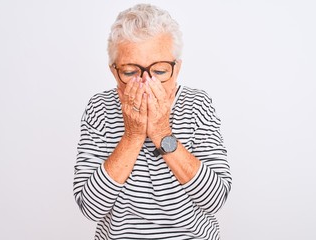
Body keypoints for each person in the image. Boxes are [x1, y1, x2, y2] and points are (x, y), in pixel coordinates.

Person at [73, 3, 232, 240]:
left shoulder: (197, 104)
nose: (146, 84)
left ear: (176, 69)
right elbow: (91, 207)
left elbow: (215, 199)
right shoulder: (99, 109)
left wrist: (161, 132)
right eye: (129, 72)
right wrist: (133, 135)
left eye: (159, 71)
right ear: (114, 71)